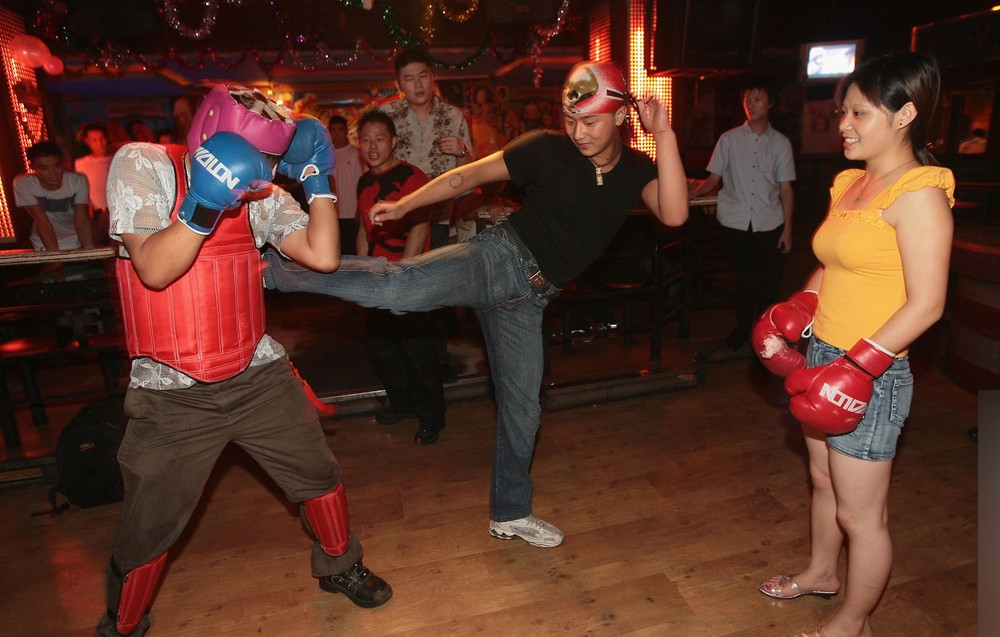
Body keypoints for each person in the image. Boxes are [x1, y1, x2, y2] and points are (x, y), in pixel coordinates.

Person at [263, 60, 689, 548]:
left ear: (620, 116)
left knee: (524, 409)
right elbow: (466, 177)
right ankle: (272, 270)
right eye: (571, 119)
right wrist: (404, 205)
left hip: (531, 300)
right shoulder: (547, 148)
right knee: (400, 288)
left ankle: (510, 512)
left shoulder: (637, 170)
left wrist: (665, 134)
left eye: (590, 122)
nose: (578, 132)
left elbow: (675, 213)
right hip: (498, 259)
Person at [95, 83, 392, 637]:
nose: (265, 169)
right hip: (171, 390)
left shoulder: (262, 196)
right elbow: (154, 269)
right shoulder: (145, 164)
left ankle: (340, 566)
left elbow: (324, 256)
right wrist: (206, 199)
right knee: (149, 523)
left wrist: (316, 180)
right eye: (259, 155)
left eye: (273, 157)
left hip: (257, 373)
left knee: (318, 474)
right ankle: (123, 621)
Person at [752, 52, 954, 637]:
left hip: (872, 373)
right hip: (823, 356)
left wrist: (859, 367)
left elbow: (928, 304)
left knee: (863, 517)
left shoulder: (920, 195)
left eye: (859, 113)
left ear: (904, 115)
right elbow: (834, 264)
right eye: (844, 111)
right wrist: (798, 308)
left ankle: (853, 624)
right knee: (822, 483)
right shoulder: (852, 182)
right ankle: (821, 573)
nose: (842, 123)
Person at [380, 48, 474, 384]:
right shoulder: (387, 115)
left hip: (437, 219)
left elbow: (470, 171)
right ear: (399, 83)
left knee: (437, 291)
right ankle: (403, 360)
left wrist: (463, 152)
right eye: (409, 78)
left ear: (433, 77)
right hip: (396, 220)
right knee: (398, 289)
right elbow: (373, 160)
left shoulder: (453, 116)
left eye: (423, 76)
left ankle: (438, 359)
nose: (417, 84)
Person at [354, 109, 445, 443]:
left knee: (417, 350)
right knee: (383, 349)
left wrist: (404, 272)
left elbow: (420, 226)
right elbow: (363, 228)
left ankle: (432, 417)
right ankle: (401, 404)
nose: (372, 146)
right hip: (377, 277)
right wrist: (362, 270)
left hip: (409, 276)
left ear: (393, 141)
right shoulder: (364, 181)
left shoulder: (411, 176)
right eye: (366, 139)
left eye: (379, 139)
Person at [689, 76, 796, 351]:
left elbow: (786, 189)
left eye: (757, 99)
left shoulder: (781, 144)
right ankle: (744, 327)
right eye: (747, 99)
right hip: (736, 220)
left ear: (770, 103)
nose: (751, 104)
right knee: (745, 280)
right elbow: (713, 179)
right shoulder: (729, 139)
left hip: (770, 220)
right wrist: (687, 195)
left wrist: (788, 229)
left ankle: (767, 333)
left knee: (770, 283)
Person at [13, 140, 94, 252]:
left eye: (56, 165)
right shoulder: (24, 183)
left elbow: (82, 219)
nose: (52, 173)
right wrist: (54, 256)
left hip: (76, 239)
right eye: (44, 168)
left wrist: (89, 250)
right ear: (33, 167)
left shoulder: (77, 180)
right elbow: (41, 221)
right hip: (43, 243)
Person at [328, 114, 364, 256]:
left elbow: (362, 182)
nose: (337, 133)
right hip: (333, 213)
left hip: (352, 212)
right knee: (336, 253)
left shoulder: (357, 154)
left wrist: (360, 208)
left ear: (347, 130)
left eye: (340, 129)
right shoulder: (327, 155)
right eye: (334, 130)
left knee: (352, 251)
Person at [74, 123, 115, 245]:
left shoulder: (115, 159)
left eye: (102, 138)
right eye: (94, 140)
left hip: (115, 213)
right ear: (87, 141)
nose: (100, 143)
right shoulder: (81, 163)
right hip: (94, 215)